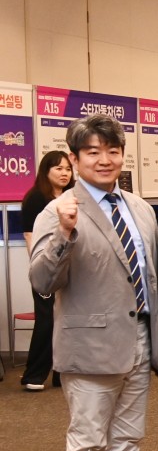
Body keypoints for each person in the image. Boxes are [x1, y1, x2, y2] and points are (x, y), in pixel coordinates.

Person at [29, 114, 158, 451]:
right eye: (92, 152)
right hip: (89, 348)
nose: (104, 159)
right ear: (74, 159)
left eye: (112, 151)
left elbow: (152, 277)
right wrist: (65, 234)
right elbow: (42, 281)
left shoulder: (140, 208)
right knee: (88, 443)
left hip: (139, 340)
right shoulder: (59, 210)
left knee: (127, 439)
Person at [19, 150, 73, 391]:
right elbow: (30, 236)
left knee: (68, 320)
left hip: (70, 269)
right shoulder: (36, 198)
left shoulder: (73, 197)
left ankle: (62, 373)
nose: (64, 173)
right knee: (46, 320)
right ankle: (34, 375)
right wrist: (41, 267)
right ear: (46, 171)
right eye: (58, 168)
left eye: (68, 169)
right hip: (47, 269)